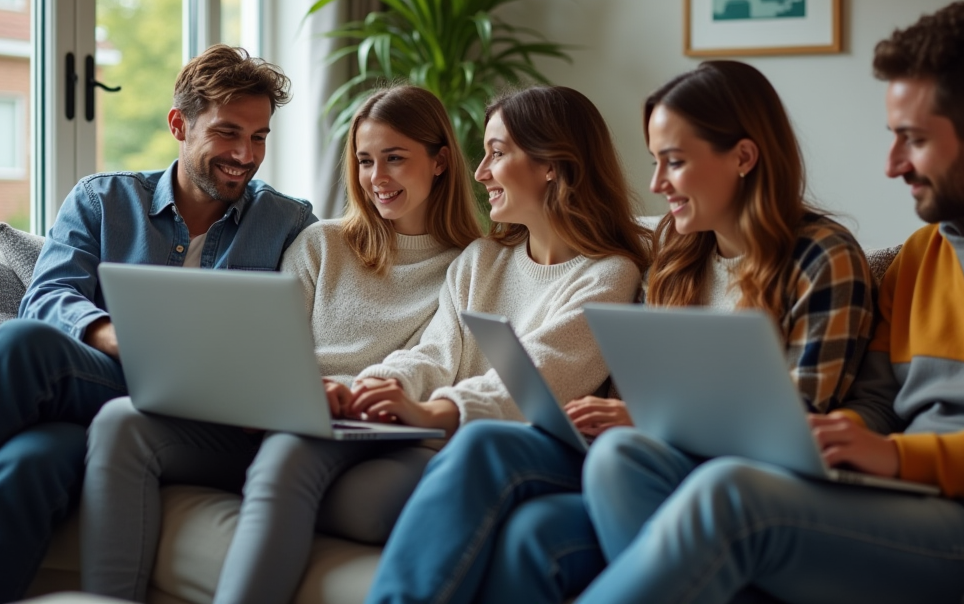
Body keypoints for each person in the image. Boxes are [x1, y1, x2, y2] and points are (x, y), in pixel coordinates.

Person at [573, 1, 964, 604]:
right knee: (623, 460)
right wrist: (832, 438)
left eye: (912, 140)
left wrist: (892, 457)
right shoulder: (922, 255)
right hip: (890, 495)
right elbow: (877, 398)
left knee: (730, 494)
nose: (892, 165)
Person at [363, 61, 876, 604]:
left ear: (744, 158)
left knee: (525, 495)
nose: (655, 185)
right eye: (657, 162)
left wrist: (648, 418)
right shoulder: (678, 254)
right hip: (635, 454)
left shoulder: (822, 256)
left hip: (717, 477)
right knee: (523, 518)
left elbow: (801, 416)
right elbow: (632, 388)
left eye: (673, 163)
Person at [0, 45, 316, 604]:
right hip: (105, 387)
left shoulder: (288, 221)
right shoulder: (103, 199)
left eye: (259, 137)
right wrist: (115, 335)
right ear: (180, 124)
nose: (245, 154)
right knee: (26, 400)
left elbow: (307, 325)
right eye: (228, 133)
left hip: (207, 416)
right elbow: (49, 296)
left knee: (25, 404)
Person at [79, 85, 481, 602]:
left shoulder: (471, 265)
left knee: (291, 444)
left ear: (441, 161)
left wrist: (344, 390)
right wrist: (272, 392)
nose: (377, 179)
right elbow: (271, 345)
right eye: (364, 161)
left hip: (372, 427)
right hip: (283, 410)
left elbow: (436, 363)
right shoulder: (322, 243)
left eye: (395, 159)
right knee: (121, 419)